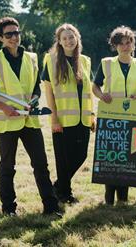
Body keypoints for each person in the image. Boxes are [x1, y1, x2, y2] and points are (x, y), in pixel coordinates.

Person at [0, 17, 60, 216]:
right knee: (7, 167)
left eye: (17, 33)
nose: (14, 37)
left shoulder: (31, 58)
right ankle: (8, 210)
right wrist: (4, 107)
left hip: (29, 119)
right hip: (7, 123)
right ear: (0, 38)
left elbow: (35, 88)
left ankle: (51, 208)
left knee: (41, 165)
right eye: (9, 34)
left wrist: (34, 100)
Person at [92, 25, 136, 205]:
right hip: (111, 115)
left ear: (133, 45)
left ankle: (123, 199)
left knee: (128, 157)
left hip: (134, 115)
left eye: (128, 43)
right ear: (115, 46)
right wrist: (101, 95)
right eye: (121, 43)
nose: (125, 46)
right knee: (111, 156)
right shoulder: (106, 63)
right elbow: (95, 86)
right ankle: (109, 198)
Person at [42, 23, 95, 204]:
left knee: (81, 155)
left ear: (77, 38)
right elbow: (48, 92)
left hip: (84, 118)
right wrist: (54, 118)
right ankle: (65, 193)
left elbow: (88, 91)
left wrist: (92, 115)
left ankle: (57, 187)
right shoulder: (51, 60)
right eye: (64, 38)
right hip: (63, 120)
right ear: (59, 41)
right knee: (63, 160)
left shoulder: (85, 61)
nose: (68, 41)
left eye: (71, 37)